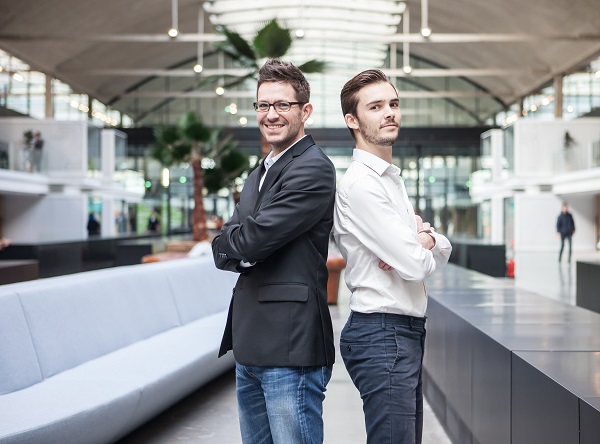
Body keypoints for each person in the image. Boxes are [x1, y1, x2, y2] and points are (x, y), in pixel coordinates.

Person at [211, 59, 336, 444]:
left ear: (305, 111)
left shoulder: (313, 168)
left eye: (282, 105)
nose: (271, 114)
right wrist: (234, 244)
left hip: (290, 345)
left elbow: (249, 240)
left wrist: (235, 244)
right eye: (263, 105)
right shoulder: (260, 170)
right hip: (250, 343)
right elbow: (228, 242)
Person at [333, 69, 452, 444]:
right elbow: (415, 265)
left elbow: (431, 251)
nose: (390, 113)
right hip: (383, 333)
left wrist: (424, 239)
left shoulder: (390, 179)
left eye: (394, 104)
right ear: (352, 120)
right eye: (376, 106)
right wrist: (417, 245)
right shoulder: (362, 184)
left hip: (403, 331)